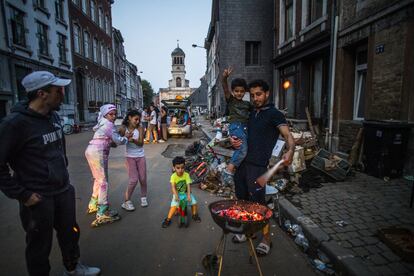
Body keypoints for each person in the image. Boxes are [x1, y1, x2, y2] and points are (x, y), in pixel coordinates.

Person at [0, 71, 100, 276]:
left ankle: (73, 269)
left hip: (62, 190)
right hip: (37, 198)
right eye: (58, 91)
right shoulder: (15, 124)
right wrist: (22, 195)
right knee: (39, 245)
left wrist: (63, 176)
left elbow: (58, 151)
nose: (63, 94)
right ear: (41, 94)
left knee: (70, 233)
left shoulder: (53, 116)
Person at [231, 79, 295, 256]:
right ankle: (247, 231)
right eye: (252, 95)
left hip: (259, 167)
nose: (255, 98)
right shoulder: (250, 112)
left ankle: (266, 239)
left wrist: (290, 151)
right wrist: (233, 140)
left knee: (259, 204)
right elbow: (238, 129)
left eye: (258, 94)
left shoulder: (274, 114)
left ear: (267, 94)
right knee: (242, 200)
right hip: (242, 164)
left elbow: (288, 136)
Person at [85, 104, 132, 227]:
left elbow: (110, 141)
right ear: (105, 114)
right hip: (98, 152)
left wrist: (118, 139)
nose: (114, 116)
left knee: (98, 180)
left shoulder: (102, 123)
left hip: (93, 151)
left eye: (115, 114)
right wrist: (126, 138)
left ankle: (93, 204)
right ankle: (102, 211)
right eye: (111, 114)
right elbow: (117, 140)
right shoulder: (108, 124)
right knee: (103, 182)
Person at [221, 67, 252, 187]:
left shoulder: (247, 104)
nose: (239, 93)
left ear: (245, 91)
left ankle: (232, 171)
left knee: (243, 150)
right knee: (242, 150)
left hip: (244, 128)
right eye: (236, 91)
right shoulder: (231, 101)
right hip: (236, 127)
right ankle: (228, 170)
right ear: (233, 91)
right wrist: (224, 78)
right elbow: (224, 87)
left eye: (241, 91)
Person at [119, 110, 148, 210]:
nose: (137, 121)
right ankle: (126, 201)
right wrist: (125, 138)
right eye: (135, 119)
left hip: (140, 156)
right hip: (130, 157)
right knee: (133, 180)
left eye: (139, 119)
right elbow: (117, 141)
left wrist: (133, 140)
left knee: (143, 178)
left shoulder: (140, 128)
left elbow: (141, 143)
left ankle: (143, 197)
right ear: (129, 118)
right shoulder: (123, 128)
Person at [161, 156, 201, 228]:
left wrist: (189, 195)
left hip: (186, 193)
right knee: (173, 206)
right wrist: (176, 195)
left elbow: (188, 185)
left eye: (182, 167)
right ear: (174, 168)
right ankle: (168, 219)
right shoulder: (173, 176)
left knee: (194, 203)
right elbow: (173, 187)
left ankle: (194, 215)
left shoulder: (186, 175)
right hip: (177, 194)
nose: (180, 170)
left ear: (184, 167)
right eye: (178, 168)